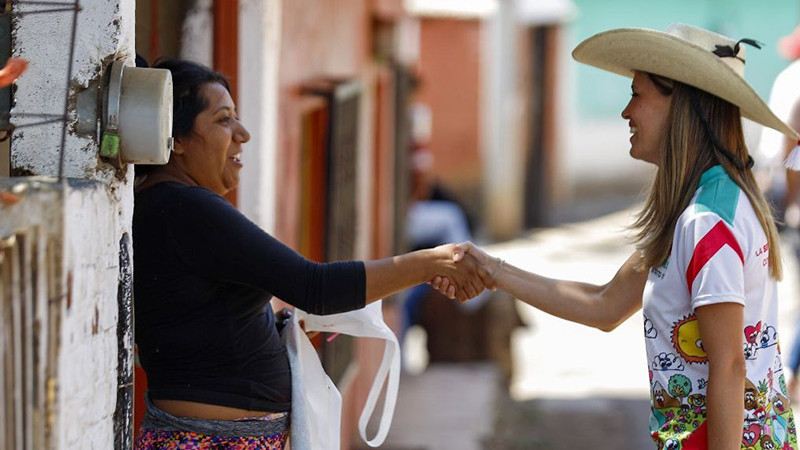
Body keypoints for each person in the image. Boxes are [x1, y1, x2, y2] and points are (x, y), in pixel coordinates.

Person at [439, 24, 800, 449]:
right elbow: (605, 305)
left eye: (636, 95)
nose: (626, 113)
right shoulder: (702, 204)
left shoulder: (706, 220)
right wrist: (491, 269)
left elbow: (729, 367)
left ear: (682, 103)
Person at [131, 59, 489, 449]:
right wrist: (428, 262)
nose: (243, 134)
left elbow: (195, 318)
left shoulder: (170, 205)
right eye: (223, 120)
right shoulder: (186, 207)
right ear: (177, 139)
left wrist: (272, 327)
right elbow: (313, 286)